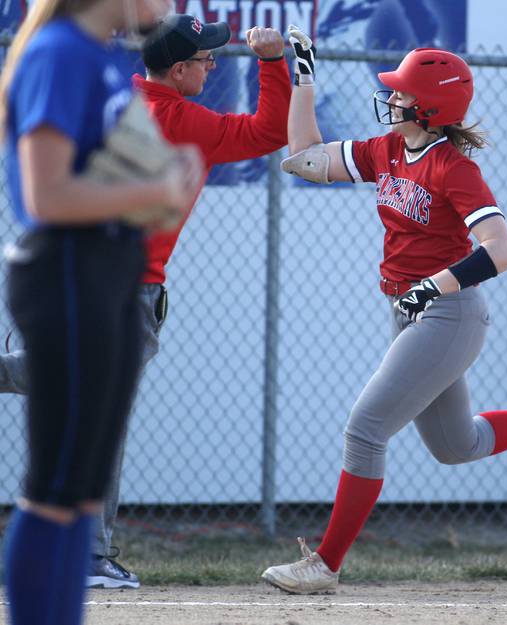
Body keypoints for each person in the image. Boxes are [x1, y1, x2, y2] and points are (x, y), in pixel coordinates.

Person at [260, 27, 507, 595]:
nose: (393, 97)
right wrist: (301, 76)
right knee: (458, 446)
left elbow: (502, 251)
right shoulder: (387, 150)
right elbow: (302, 159)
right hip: (410, 312)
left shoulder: (455, 169)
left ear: (430, 106)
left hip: (448, 314)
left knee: (365, 430)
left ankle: (325, 565)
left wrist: (433, 287)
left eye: (403, 92)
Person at [0, 13, 292, 589]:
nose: (212, 65)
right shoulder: (185, 119)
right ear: (179, 69)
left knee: (74, 402)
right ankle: (88, 557)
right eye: (205, 59)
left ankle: (79, 555)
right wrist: (274, 63)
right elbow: (269, 132)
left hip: (71, 271)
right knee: (100, 419)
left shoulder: (122, 93)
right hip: (124, 287)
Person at [0, 1, 204, 623]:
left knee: (84, 493)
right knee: (58, 492)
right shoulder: (60, 53)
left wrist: (154, 189)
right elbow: (48, 193)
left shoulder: (99, 57)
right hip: (67, 272)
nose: (170, 6)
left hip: (107, 271)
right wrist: (159, 188)